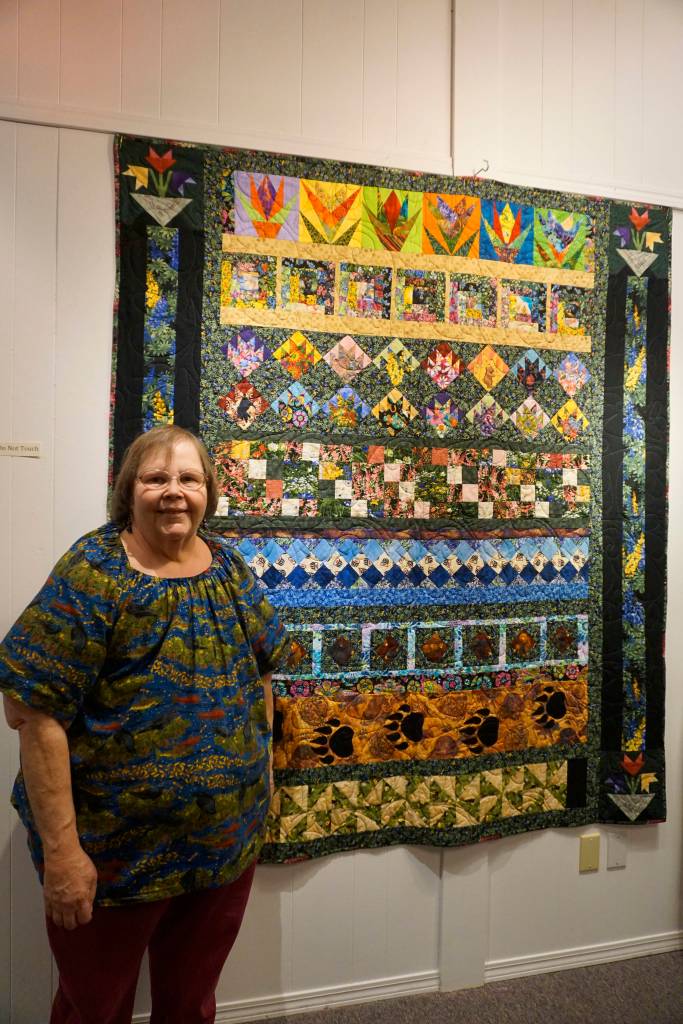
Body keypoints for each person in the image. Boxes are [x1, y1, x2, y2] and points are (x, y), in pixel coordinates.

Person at [0, 425, 288, 1024]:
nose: (174, 492)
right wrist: (62, 855)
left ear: (209, 489)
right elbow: (31, 710)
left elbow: (264, 668)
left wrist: (259, 787)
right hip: (111, 862)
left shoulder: (231, 569)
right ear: (128, 491)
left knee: (190, 1006)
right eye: (156, 478)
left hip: (221, 850)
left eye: (189, 478)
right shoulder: (93, 573)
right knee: (93, 1010)